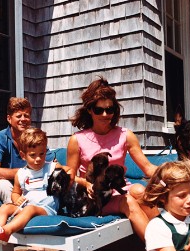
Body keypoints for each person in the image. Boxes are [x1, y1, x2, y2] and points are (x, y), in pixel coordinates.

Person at [66, 76, 159, 240]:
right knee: (128, 201)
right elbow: (70, 177)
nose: (105, 114)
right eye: (99, 110)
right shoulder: (77, 140)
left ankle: (169, 240)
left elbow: (148, 168)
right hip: (95, 198)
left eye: (109, 109)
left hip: (119, 189)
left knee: (139, 190)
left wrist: (175, 174)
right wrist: (86, 182)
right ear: (89, 110)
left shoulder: (126, 135)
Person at [0, 128, 75, 251]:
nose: (38, 159)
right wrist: (16, 199)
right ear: (23, 155)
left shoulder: (51, 167)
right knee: (5, 207)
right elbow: (16, 192)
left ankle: (5, 232)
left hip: (46, 209)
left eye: (42, 154)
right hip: (27, 206)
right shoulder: (21, 174)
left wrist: (67, 182)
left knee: (30, 209)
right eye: (33, 155)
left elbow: (69, 170)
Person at [0, 97, 33, 205]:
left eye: (26, 115)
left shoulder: (34, 138)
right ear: (9, 119)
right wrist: (26, 173)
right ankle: (16, 216)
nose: (23, 119)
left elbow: (51, 161)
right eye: (18, 116)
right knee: (3, 184)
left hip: (26, 189)